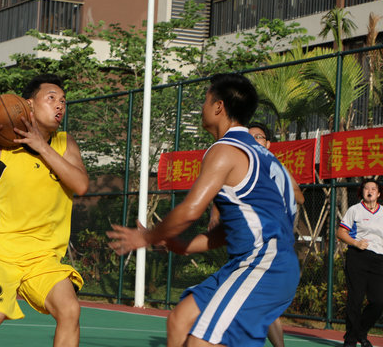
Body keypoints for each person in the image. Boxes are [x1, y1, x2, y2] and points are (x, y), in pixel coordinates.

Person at [107, 73, 300, 347]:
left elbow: (190, 210)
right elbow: (227, 232)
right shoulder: (265, 156)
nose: (202, 107)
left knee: (201, 343)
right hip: (260, 263)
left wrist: (146, 236)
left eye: (206, 100)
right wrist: (181, 246)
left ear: (218, 107)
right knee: (180, 319)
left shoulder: (226, 150)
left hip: (263, 264)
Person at [0, 74, 89, 347]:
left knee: (70, 310)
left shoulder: (65, 143)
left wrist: (41, 146)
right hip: (0, 252)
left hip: (43, 257)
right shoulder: (3, 149)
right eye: (51, 98)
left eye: (63, 101)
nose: (59, 105)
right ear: (29, 104)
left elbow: (81, 185)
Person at [207, 121, 305, 347]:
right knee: (257, 304)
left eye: (258, 137)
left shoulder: (276, 168)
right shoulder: (240, 163)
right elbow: (221, 190)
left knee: (256, 304)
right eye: (250, 136)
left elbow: (299, 197)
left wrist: (273, 194)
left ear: (268, 143)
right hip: (248, 243)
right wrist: (215, 214)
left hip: (271, 246)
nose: (253, 140)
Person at [337, 178, 383, 347]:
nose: (369, 191)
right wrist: (356, 243)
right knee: (355, 300)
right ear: (362, 192)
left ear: (378, 193)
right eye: (366, 188)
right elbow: (341, 233)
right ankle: (350, 341)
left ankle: (360, 332)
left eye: (373, 188)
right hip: (358, 257)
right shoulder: (354, 210)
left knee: (378, 301)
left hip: (379, 260)